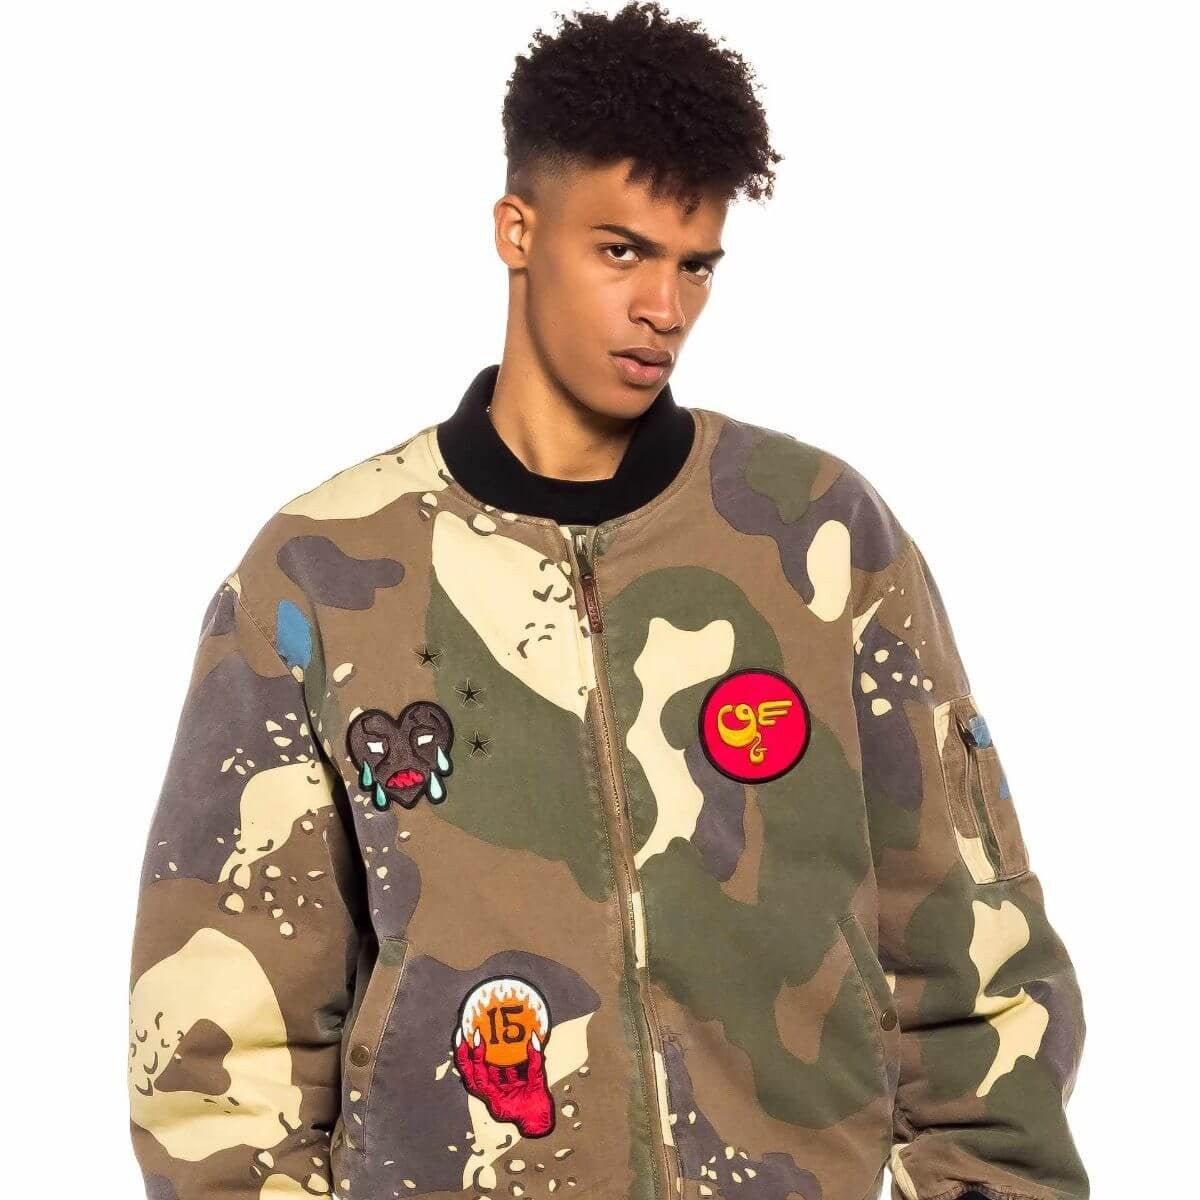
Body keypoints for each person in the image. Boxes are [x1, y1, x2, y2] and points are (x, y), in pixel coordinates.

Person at [126, 4, 1089, 1199]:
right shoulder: (320, 573)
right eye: (622, 252)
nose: (663, 309)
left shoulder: (822, 538)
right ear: (517, 230)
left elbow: (974, 962)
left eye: (696, 265)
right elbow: (225, 1049)